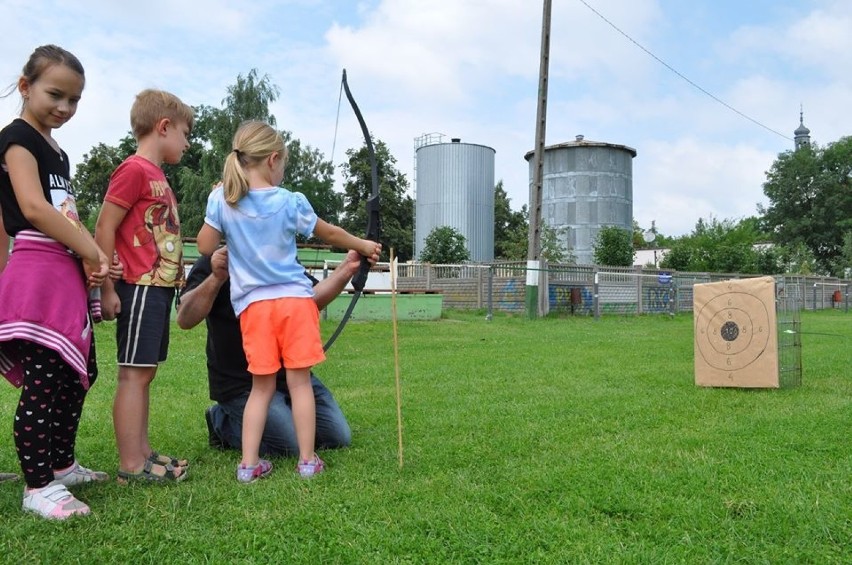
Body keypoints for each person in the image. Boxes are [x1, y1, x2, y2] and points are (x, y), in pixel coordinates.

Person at [196, 120, 380, 481]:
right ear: (273, 159)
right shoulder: (290, 201)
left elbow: (204, 246)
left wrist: (216, 208)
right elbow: (328, 232)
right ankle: (307, 462)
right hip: (295, 304)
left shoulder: (222, 198)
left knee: (261, 387)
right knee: (299, 382)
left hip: (254, 309)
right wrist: (361, 244)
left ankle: (248, 466)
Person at [0, 45, 111, 519]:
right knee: (44, 381)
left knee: (77, 376)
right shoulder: (17, 137)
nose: (65, 108)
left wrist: (89, 257)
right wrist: (90, 248)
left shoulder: (57, 150)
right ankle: (37, 485)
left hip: (64, 273)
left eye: (75, 100)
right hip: (37, 273)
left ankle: (62, 464)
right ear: (25, 87)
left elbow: (65, 212)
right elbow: (32, 208)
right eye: (55, 94)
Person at [177, 247, 367, 459]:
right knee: (291, 447)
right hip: (241, 383)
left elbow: (309, 299)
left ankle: (282, 414)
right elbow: (185, 319)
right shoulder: (216, 256)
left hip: (291, 376)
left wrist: (347, 268)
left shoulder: (280, 250)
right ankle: (221, 421)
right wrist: (216, 277)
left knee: (338, 437)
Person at [94, 89, 193, 484]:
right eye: (185, 134)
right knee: (133, 374)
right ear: (163, 127)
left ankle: (143, 452)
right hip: (138, 286)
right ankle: (131, 465)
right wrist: (106, 288)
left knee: (145, 372)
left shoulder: (157, 177)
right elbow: (104, 225)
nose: (187, 143)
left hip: (157, 289)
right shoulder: (134, 170)